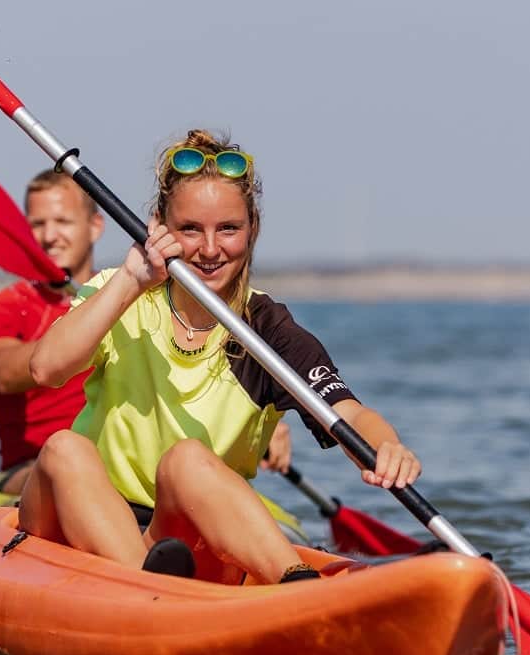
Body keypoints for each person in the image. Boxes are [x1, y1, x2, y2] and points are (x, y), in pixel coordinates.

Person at [22, 130, 422, 584]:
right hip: (81, 520)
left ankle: (297, 587)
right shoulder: (121, 293)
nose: (210, 250)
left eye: (228, 229)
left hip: (179, 535)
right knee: (64, 449)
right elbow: (46, 368)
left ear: (252, 229)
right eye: (190, 229)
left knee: (187, 459)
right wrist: (133, 279)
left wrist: (386, 447)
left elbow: (348, 413)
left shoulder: (268, 330)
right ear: (159, 227)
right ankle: (148, 592)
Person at [0, 169, 103, 495]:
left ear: (95, 227)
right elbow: (2, 372)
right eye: (37, 224)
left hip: (117, 462)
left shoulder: (125, 296)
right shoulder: (4, 307)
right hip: (31, 469)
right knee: (66, 466)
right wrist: (83, 334)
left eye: (63, 222)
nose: (50, 236)